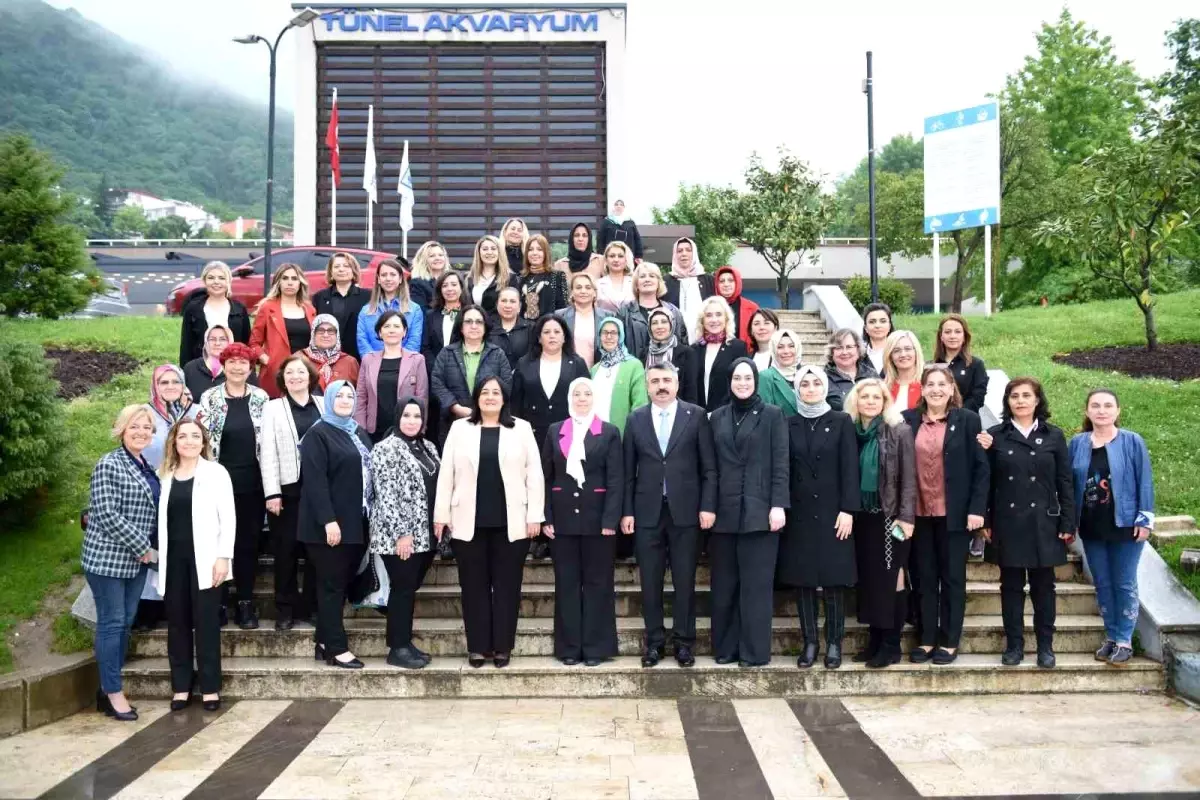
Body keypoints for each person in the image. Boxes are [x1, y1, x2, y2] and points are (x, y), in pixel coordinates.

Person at [435, 377, 545, 668]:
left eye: (496, 392)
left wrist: (535, 514)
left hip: (513, 523)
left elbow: (534, 473)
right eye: (485, 392)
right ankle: (478, 647)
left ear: (504, 398)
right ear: (476, 398)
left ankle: (502, 647)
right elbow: (446, 473)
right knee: (473, 588)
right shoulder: (460, 428)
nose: (490, 397)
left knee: (507, 587)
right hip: (467, 522)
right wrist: (441, 516)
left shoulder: (520, 428)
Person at [621, 362, 718, 668]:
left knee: (685, 581)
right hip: (647, 512)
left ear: (677, 384)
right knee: (650, 583)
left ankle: (684, 643)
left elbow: (709, 469)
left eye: (666, 380)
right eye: (655, 381)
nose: (661, 386)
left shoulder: (696, 415)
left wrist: (708, 506)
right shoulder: (635, 419)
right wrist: (627, 512)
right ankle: (654, 643)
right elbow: (627, 473)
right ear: (647, 386)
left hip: (686, 513)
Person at [975, 378, 1075, 668]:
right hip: (1008, 523)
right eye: (1014, 396)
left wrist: (1068, 521)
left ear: (1037, 400)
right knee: (1011, 587)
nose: (1020, 401)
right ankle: (1014, 646)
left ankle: (1046, 647)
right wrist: (986, 519)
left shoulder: (1054, 436)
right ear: (1007, 402)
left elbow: (1064, 482)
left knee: (1045, 588)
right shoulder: (995, 436)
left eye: (1026, 396)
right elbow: (987, 482)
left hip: (1045, 522)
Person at [901, 365, 989, 665]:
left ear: (952, 389)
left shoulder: (967, 420)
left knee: (952, 579)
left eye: (942, 384)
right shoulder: (907, 420)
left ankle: (949, 640)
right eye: (930, 384)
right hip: (918, 514)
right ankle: (926, 639)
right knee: (923, 577)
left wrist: (978, 510)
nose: (936, 389)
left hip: (955, 514)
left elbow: (981, 468)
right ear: (922, 389)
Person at [778, 366, 859, 669]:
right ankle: (810, 641)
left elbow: (850, 469)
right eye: (804, 384)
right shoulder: (788, 424)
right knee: (805, 581)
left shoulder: (841, 422)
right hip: (799, 515)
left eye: (816, 383)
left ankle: (834, 643)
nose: (810, 388)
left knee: (834, 580)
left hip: (834, 514)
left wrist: (848, 510)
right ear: (797, 389)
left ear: (825, 387)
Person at [708, 359, 788, 666]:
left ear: (756, 381)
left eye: (748, 377)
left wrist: (778, 504)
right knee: (725, 585)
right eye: (737, 377)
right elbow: (711, 467)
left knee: (756, 588)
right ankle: (726, 648)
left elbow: (781, 463)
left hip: (761, 512)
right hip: (724, 513)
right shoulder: (716, 416)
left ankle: (754, 652)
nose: (742, 382)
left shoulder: (772, 415)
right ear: (729, 381)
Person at [1068, 388, 1155, 667]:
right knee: (1103, 583)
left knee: (1124, 582)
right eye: (1095, 405)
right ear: (1087, 411)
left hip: (1126, 525)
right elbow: (1069, 485)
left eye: (1107, 405)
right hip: (1092, 526)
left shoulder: (1131, 441)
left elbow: (1144, 480)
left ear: (1117, 411)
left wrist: (1145, 519)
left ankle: (1125, 640)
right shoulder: (1078, 443)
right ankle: (1111, 635)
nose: (1101, 410)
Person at [83, 405, 159, 721]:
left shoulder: (146, 465)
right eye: (134, 427)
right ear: (121, 430)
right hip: (108, 560)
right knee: (112, 623)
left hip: (136, 563)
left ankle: (107, 688)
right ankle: (112, 692)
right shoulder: (109, 464)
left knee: (125, 622)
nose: (141, 432)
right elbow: (105, 514)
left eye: (146, 427)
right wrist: (144, 547)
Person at [542, 378, 624, 666]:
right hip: (562, 521)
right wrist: (547, 516)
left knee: (597, 583)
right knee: (566, 583)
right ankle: (569, 648)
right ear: (569, 398)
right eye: (576, 393)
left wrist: (610, 519)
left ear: (595, 397)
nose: (582, 398)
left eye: (587, 393)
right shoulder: (556, 431)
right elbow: (546, 477)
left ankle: (594, 648)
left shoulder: (609, 432)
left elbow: (616, 479)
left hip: (597, 520)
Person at [156, 419, 234, 713]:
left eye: (195, 436)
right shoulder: (164, 475)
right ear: (174, 442)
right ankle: (181, 687)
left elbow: (228, 517)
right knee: (177, 625)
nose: (189, 441)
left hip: (207, 560)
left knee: (206, 625)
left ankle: (210, 688)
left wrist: (223, 556)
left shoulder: (216, 473)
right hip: (173, 561)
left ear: (204, 442)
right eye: (183, 436)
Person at [298, 380, 373, 670]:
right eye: (338, 395)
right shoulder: (318, 433)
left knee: (336, 585)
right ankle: (337, 649)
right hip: (328, 527)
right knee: (332, 587)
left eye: (349, 395)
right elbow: (315, 483)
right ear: (328, 400)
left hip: (355, 522)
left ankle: (323, 641)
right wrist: (329, 521)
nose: (344, 400)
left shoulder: (357, 432)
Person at [195, 343, 270, 630]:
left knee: (247, 545)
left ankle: (246, 604)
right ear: (223, 366)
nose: (238, 367)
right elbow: (202, 441)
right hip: (218, 484)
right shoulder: (210, 397)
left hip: (252, 485)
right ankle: (219, 602)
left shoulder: (262, 398)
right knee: (218, 543)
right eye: (233, 362)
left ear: (251, 368)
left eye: (244, 363)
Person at [844, 378, 916, 669]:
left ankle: (891, 644)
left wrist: (906, 517)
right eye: (865, 397)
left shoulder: (899, 431)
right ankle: (875, 640)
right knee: (871, 583)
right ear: (856, 401)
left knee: (893, 580)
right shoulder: (851, 432)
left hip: (892, 518)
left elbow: (909, 480)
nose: (871, 401)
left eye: (877, 397)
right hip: (863, 519)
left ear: (885, 401)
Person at [370, 397, 442, 669]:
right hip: (399, 536)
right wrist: (403, 533)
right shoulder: (386, 448)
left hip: (425, 534)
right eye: (406, 415)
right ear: (397, 417)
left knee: (409, 589)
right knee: (402, 589)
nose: (412, 421)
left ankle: (405, 641)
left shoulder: (429, 446)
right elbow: (386, 495)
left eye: (417, 416)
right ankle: (396, 648)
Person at [259, 354, 323, 630]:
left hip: (319, 491)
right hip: (286, 490)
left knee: (314, 553)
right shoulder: (273, 408)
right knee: (285, 552)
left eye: (300, 372)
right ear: (282, 380)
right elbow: (267, 453)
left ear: (310, 376)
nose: (295, 377)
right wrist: (272, 493)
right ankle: (284, 609)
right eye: (289, 374)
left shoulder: (323, 405)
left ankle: (309, 606)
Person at [430, 305, 513, 447]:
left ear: (485, 327)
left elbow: (506, 385)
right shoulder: (446, 353)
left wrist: (484, 409)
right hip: (453, 422)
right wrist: (455, 407)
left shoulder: (497, 354)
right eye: (468, 321)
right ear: (461, 327)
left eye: (479, 322)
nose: (474, 326)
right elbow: (437, 383)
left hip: (490, 421)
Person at [512, 315, 591, 449]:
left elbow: (588, 400)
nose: (552, 336)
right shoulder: (524, 363)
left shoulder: (577, 364)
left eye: (557, 332)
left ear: (564, 337)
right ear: (539, 338)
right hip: (532, 435)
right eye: (546, 332)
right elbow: (515, 403)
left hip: (568, 435)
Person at [354, 311, 429, 444]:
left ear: (404, 331)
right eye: (387, 326)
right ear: (379, 332)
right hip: (374, 431)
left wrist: (420, 429)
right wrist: (360, 429)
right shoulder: (368, 360)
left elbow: (422, 397)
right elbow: (361, 397)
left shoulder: (417, 360)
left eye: (396, 326)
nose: (392, 330)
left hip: (406, 430)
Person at [250, 263, 316, 400]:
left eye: (294, 279)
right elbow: (254, 343)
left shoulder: (310, 309)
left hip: (304, 372)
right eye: (285, 278)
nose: (289, 283)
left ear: (300, 283)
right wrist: (267, 360)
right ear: (278, 282)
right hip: (276, 372)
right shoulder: (267, 308)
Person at [421, 271, 465, 449]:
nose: (450, 289)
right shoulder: (431, 315)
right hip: (435, 376)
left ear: (462, 288)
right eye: (445, 285)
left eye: (454, 284)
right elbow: (425, 347)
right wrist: (438, 369)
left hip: (461, 377)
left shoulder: (470, 314)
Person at [179, 261, 251, 365]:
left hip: (233, 368)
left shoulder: (239, 309)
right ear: (204, 281)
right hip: (201, 367)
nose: (216, 282)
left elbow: (246, 344)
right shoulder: (193, 309)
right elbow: (186, 345)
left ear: (228, 281)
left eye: (221, 278)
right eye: (211, 278)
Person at [618, 262, 689, 361]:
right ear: (636, 284)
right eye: (642, 276)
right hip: (635, 370)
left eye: (652, 276)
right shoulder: (625, 312)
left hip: (669, 371)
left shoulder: (673, 311)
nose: (647, 279)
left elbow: (683, 343)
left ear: (659, 282)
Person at [590, 317, 648, 435]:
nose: (609, 337)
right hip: (595, 435)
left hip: (622, 435)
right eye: (605, 332)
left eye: (614, 333)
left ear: (621, 336)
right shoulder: (595, 369)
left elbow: (640, 404)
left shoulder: (634, 365)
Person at [691, 296, 749, 412]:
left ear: (726, 319)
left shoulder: (738, 347)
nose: (714, 320)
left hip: (727, 415)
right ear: (702, 320)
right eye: (708, 315)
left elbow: (741, 384)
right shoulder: (694, 349)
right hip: (699, 416)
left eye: (718, 314)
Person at [356, 258, 423, 356]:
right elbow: (362, 341)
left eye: (393, 274)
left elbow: (414, 341)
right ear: (378, 279)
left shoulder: (414, 310)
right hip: (374, 367)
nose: (388, 278)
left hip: (404, 367)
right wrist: (374, 362)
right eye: (384, 275)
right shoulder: (366, 311)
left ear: (400, 279)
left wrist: (400, 362)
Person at [311, 252, 371, 359]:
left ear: (354, 270)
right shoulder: (319, 297)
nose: (341, 269)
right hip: (326, 357)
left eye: (346, 266)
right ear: (331, 272)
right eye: (336, 266)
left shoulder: (368, 297)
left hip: (358, 356)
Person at [182, 325, 260, 402]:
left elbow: (255, 397)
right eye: (212, 339)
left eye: (222, 339)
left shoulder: (243, 368)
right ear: (206, 342)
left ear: (230, 342)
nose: (217, 343)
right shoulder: (191, 368)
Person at [641, 306, 699, 405]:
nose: (659, 326)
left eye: (664, 322)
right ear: (649, 328)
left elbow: (691, 391)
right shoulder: (644, 354)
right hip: (650, 412)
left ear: (671, 325)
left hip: (678, 413)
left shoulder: (686, 353)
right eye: (654, 323)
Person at [144, 365, 198, 469]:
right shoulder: (144, 413)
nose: (170, 387)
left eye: (176, 382)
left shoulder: (198, 412)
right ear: (155, 386)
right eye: (164, 383)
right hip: (153, 477)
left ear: (183, 385)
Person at [933, 313, 988, 414]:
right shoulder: (932, 365)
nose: (952, 336)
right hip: (936, 422)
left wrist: (955, 415)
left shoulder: (976, 364)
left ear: (964, 337)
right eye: (948, 332)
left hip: (965, 421)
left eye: (957, 332)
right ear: (941, 336)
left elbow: (977, 399)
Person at [557, 273, 612, 370]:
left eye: (588, 287)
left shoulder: (608, 317)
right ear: (572, 292)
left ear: (594, 292)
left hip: (600, 371)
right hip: (567, 371)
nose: (583, 291)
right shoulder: (559, 316)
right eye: (578, 287)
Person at [663, 237, 714, 342]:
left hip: (704, 339)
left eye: (688, 250)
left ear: (694, 253)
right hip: (676, 340)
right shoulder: (666, 281)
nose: (684, 254)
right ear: (675, 255)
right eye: (679, 251)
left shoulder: (708, 280)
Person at [302, 315, 360, 392]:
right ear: (313, 334)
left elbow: (359, 395)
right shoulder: (300, 359)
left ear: (337, 335)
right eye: (320, 331)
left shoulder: (349, 362)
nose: (325, 335)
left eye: (331, 331)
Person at [518, 233, 568, 321]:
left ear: (546, 253)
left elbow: (562, 310)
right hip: (525, 330)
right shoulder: (520, 279)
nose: (534, 253)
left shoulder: (557, 277)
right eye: (530, 249)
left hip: (548, 329)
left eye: (539, 249)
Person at [825, 328, 876, 413]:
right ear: (832, 351)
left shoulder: (872, 375)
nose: (844, 352)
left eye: (849, 347)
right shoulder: (823, 380)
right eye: (839, 348)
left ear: (858, 349)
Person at [466, 235, 519, 315]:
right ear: (479, 252)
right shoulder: (469, 278)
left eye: (493, 249)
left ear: (499, 252)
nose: (489, 252)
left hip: (498, 326)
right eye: (485, 249)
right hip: (474, 325)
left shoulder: (510, 278)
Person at [713, 266, 760, 352]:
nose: (726, 284)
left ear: (737, 282)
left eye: (731, 280)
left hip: (745, 356)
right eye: (721, 281)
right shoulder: (710, 307)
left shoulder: (752, 307)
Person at [756, 329, 801, 416]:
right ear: (773, 350)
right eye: (780, 347)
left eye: (791, 346)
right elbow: (764, 416)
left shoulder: (803, 375)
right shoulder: (765, 377)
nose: (786, 351)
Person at [489, 286, 534, 370]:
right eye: (504, 301)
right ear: (497, 304)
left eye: (512, 301)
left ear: (519, 306)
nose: (507, 305)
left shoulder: (530, 328)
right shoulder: (487, 326)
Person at [883, 330, 924, 412]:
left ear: (916, 352)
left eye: (908, 349)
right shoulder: (883, 388)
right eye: (896, 351)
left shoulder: (928, 384)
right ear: (890, 356)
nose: (903, 354)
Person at [409, 240, 451, 308]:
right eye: (432, 256)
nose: (437, 258)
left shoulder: (452, 280)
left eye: (440, 255)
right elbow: (421, 311)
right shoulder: (417, 283)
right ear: (423, 260)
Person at [595, 242, 636, 314]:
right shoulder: (596, 284)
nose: (616, 260)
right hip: (604, 324)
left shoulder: (635, 283)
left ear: (626, 260)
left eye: (620, 256)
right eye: (612, 256)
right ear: (606, 260)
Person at [861, 302, 894, 377]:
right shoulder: (858, 355)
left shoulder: (898, 352)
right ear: (865, 328)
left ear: (889, 326)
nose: (877, 325)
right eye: (872, 322)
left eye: (883, 321)